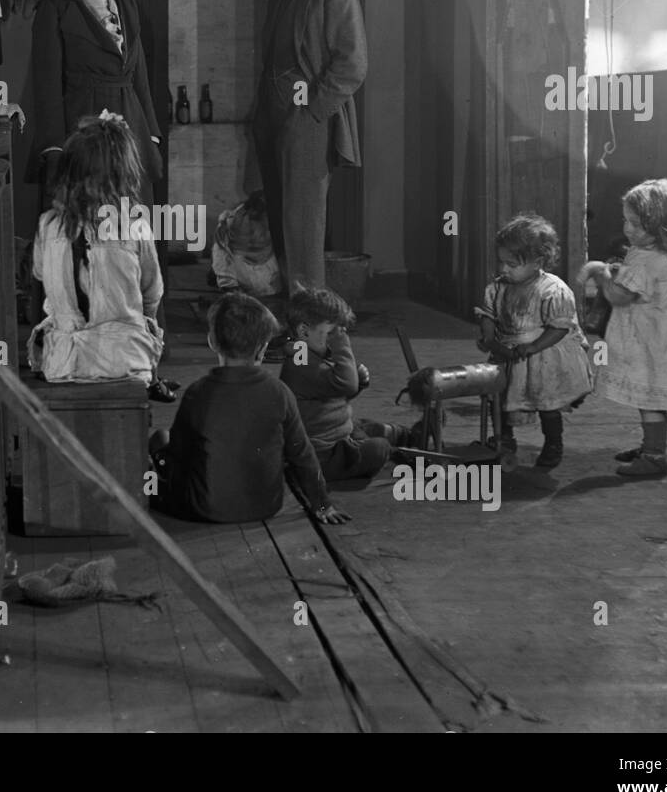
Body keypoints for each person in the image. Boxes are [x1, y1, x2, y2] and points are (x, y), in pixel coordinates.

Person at [148, 292, 350, 524]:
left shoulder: (198, 393)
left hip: (205, 508)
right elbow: (302, 454)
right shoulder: (280, 391)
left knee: (159, 444)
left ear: (212, 342)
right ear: (263, 348)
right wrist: (322, 505)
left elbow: (179, 456)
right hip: (266, 505)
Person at [252, 0, 367, 295]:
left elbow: (352, 65)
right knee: (282, 224)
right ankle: (293, 322)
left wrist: (312, 113)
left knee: (302, 228)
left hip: (307, 124)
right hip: (273, 120)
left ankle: (310, 335)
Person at [27, 112, 175, 400]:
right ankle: (152, 381)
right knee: (143, 319)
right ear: (124, 173)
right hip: (125, 362)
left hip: (63, 363)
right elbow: (152, 295)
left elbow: (40, 275)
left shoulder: (48, 224)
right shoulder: (135, 225)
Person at [28, 0, 162, 206]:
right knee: (89, 213)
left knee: (130, 217)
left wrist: (150, 132)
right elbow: (46, 87)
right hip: (82, 129)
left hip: (130, 128)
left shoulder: (125, 2)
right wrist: (53, 147)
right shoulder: (54, 9)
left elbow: (139, 74)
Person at [578, 179, 667, 478]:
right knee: (652, 399)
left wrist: (599, 274)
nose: (628, 229)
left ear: (662, 226)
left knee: (649, 398)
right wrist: (620, 272)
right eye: (627, 221)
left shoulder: (645, 259)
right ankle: (652, 445)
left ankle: (653, 457)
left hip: (650, 342)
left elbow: (618, 296)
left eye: (637, 225)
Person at [476, 214, 594, 469]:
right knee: (501, 399)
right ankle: (504, 439)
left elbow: (560, 327)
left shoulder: (553, 290)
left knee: (547, 403)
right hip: (508, 352)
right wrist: (488, 336)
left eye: (512, 264)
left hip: (543, 355)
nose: (503, 269)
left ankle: (553, 443)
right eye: (501, 262)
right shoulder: (498, 287)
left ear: (537, 262)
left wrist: (532, 347)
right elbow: (488, 313)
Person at [279, 285, 411, 482]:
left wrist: (359, 383)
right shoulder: (301, 360)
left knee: (363, 425)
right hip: (322, 455)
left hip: (334, 432)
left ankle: (404, 435)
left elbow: (335, 395)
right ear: (304, 332)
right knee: (378, 448)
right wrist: (342, 344)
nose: (336, 338)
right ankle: (394, 444)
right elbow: (346, 386)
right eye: (331, 332)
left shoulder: (308, 353)